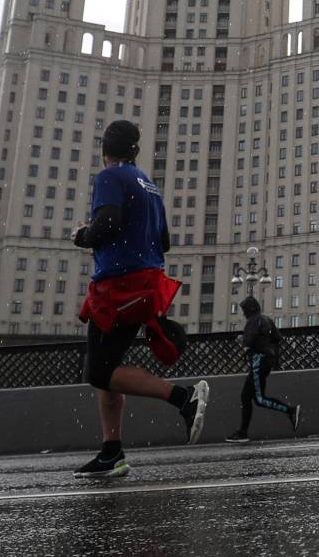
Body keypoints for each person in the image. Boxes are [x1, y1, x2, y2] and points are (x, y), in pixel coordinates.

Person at [71, 120, 209, 479]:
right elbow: (164, 242)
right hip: (144, 284)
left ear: (105, 149)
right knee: (107, 369)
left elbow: (109, 224)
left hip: (118, 286)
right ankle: (111, 451)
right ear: (136, 149)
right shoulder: (149, 185)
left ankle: (183, 398)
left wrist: (83, 236)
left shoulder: (109, 178)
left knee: (99, 371)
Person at [225, 295, 300, 443]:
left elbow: (249, 340)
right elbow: (277, 338)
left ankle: (290, 410)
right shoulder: (265, 319)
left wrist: (243, 341)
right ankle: (242, 432)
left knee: (256, 398)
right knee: (248, 397)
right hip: (266, 361)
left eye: (244, 310)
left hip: (258, 362)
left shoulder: (253, 320)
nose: (243, 313)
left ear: (249, 310)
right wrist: (267, 346)